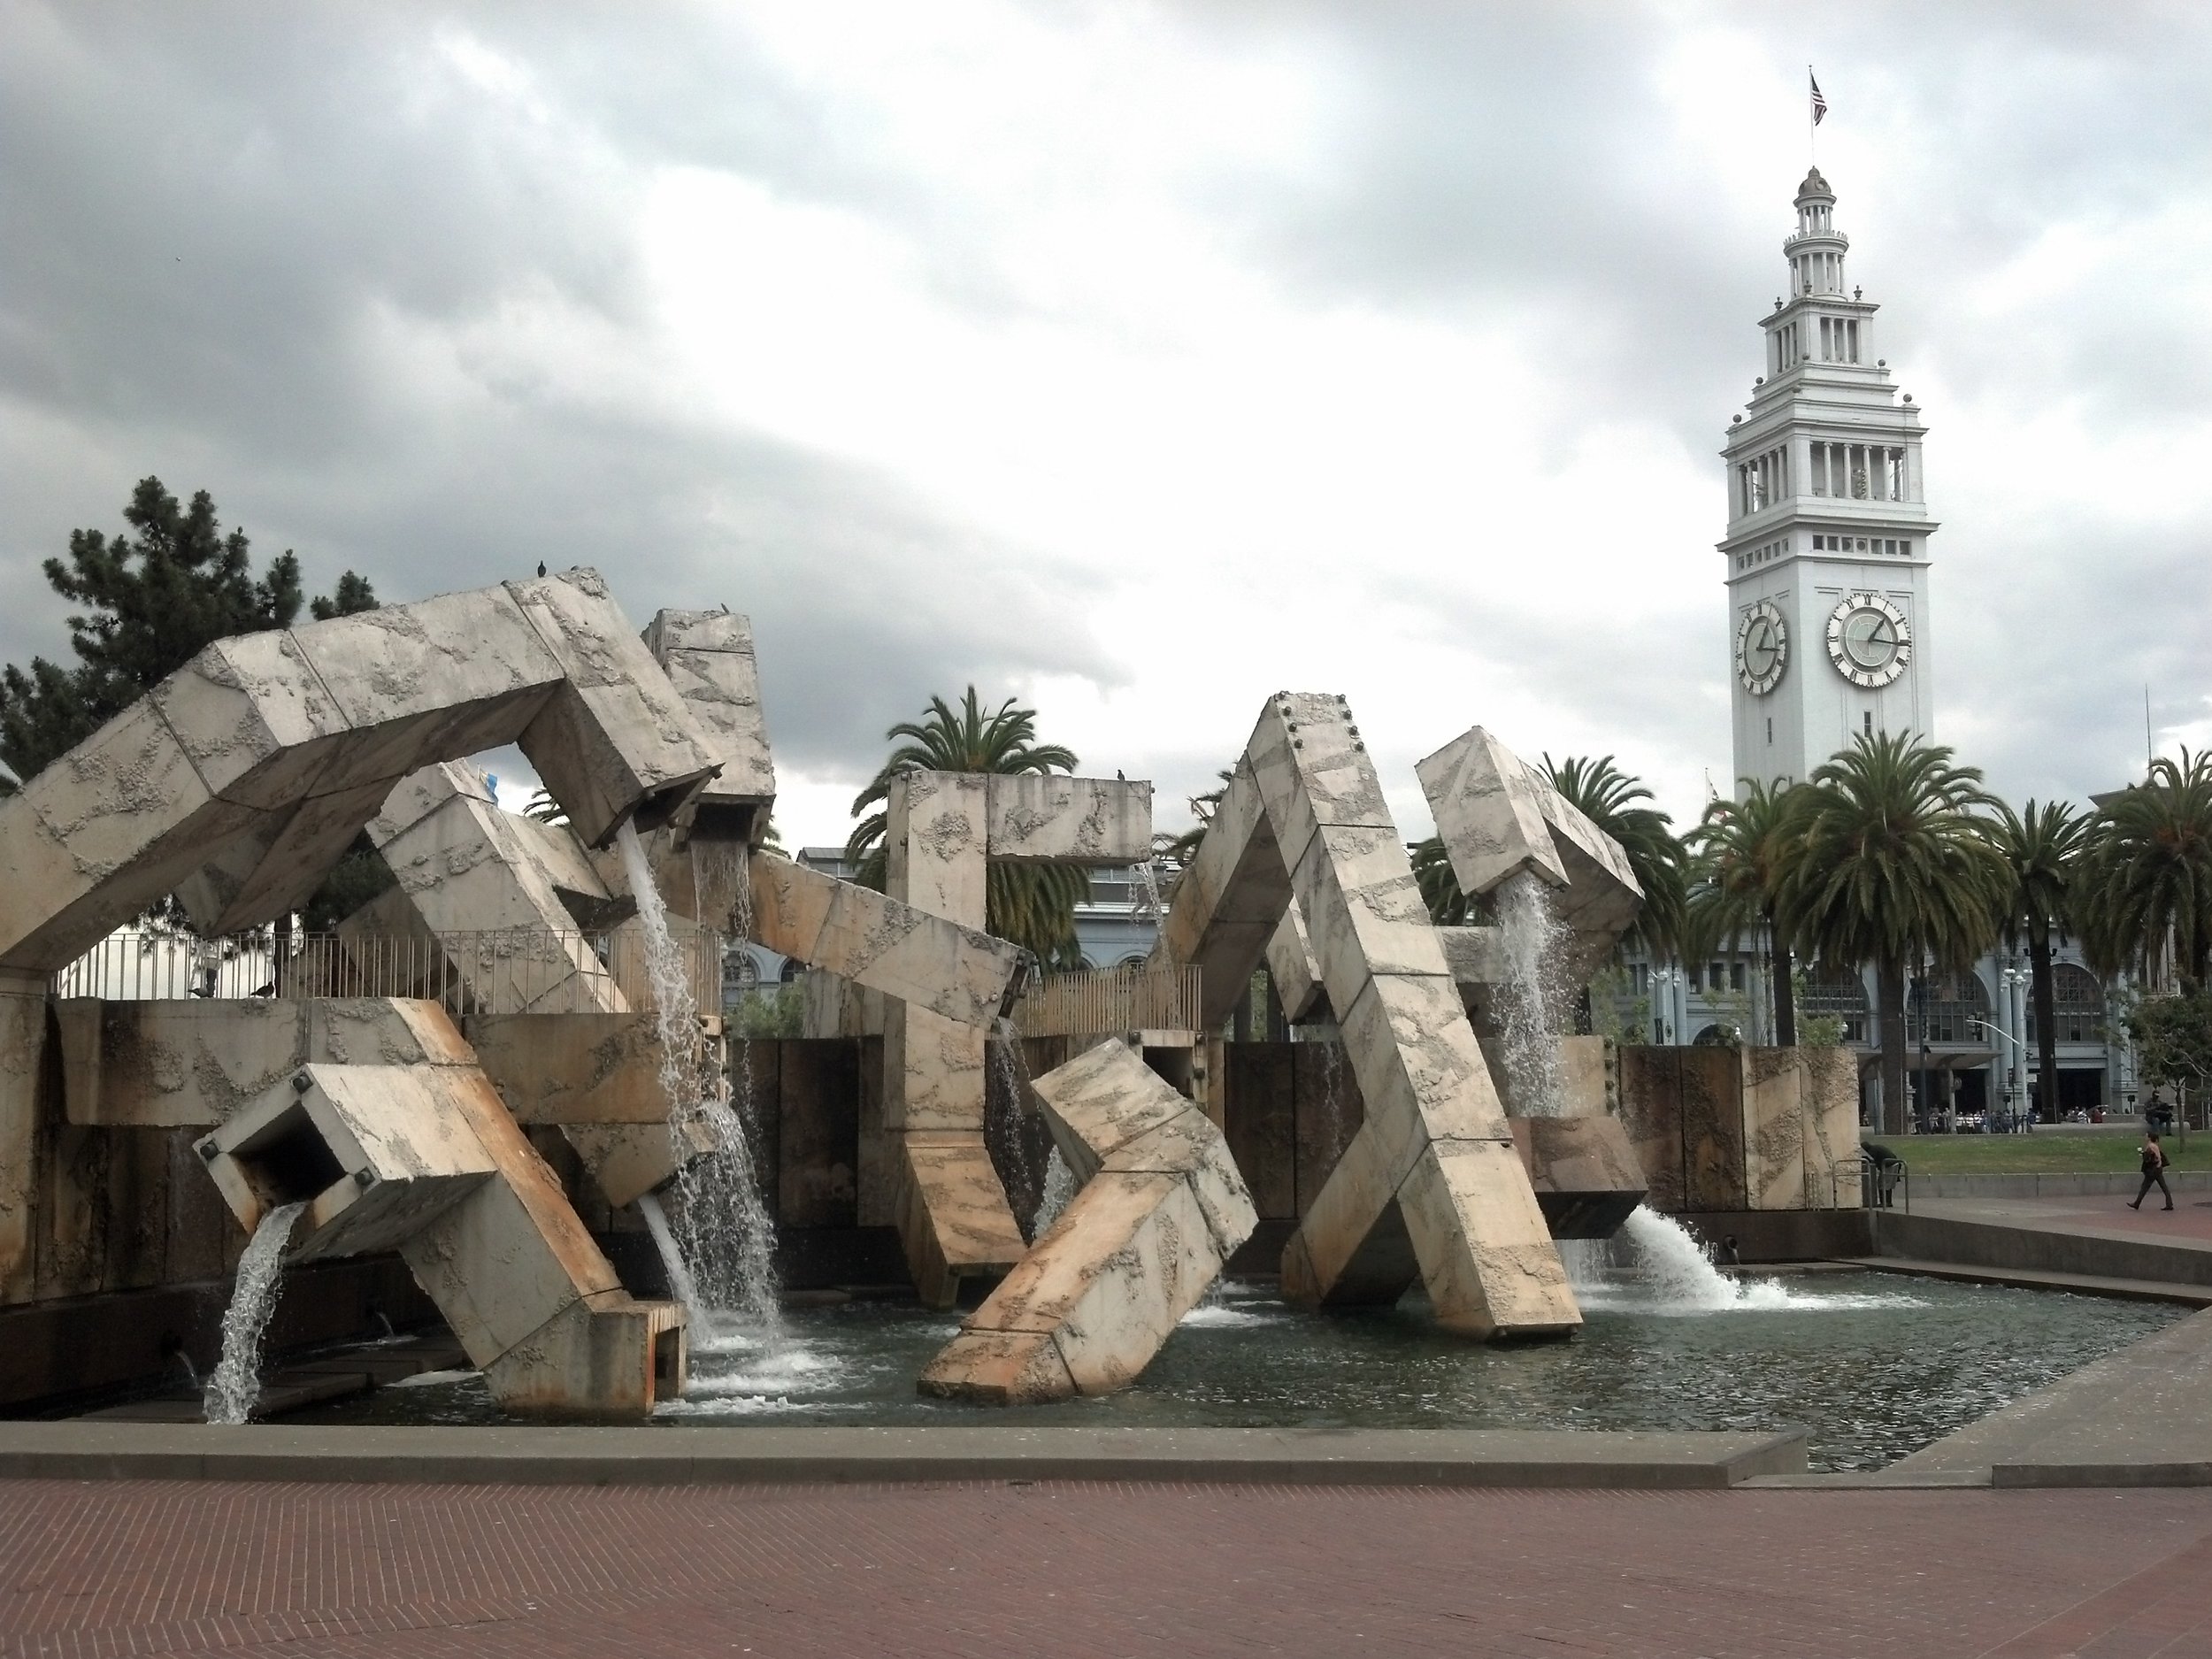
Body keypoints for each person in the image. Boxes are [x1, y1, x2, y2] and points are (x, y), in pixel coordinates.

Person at [2130, 1131, 2174, 1212]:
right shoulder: (2151, 1146)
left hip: (2153, 1170)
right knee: (2163, 1187)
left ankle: (2137, 1204)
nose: (2145, 1137)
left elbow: (2158, 1156)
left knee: (2145, 1187)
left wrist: (2158, 1165)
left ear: (2149, 1137)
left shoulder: (2152, 1146)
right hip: (2156, 1170)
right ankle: (2169, 1204)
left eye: (2146, 1135)